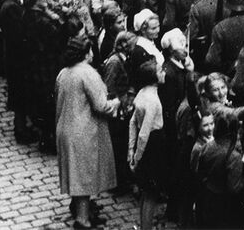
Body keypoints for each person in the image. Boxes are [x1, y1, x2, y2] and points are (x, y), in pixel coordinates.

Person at [54, 30, 118, 229]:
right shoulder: (88, 73)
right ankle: (82, 220)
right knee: (84, 176)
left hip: (65, 129)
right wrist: (116, 103)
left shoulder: (63, 72)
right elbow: (101, 105)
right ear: (87, 52)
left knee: (76, 174)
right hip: (83, 132)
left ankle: (82, 211)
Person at [127, 58, 164, 230]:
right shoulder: (153, 100)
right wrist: (137, 158)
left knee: (146, 191)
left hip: (147, 145)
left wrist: (131, 150)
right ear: (153, 77)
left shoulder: (141, 93)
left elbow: (132, 123)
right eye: (160, 71)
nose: (164, 73)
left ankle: (143, 226)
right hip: (153, 144)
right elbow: (144, 133)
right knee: (151, 193)